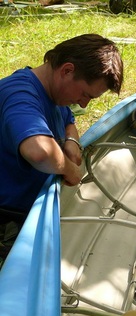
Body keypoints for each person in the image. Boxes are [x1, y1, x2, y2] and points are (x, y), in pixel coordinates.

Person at [0, 34, 124, 263]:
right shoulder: (20, 96)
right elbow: (40, 152)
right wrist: (69, 169)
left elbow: (68, 120)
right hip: (9, 217)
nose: (84, 104)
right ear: (67, 70)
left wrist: (72, 141)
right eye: (85, 94)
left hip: (33, 203)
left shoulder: (52, 92)